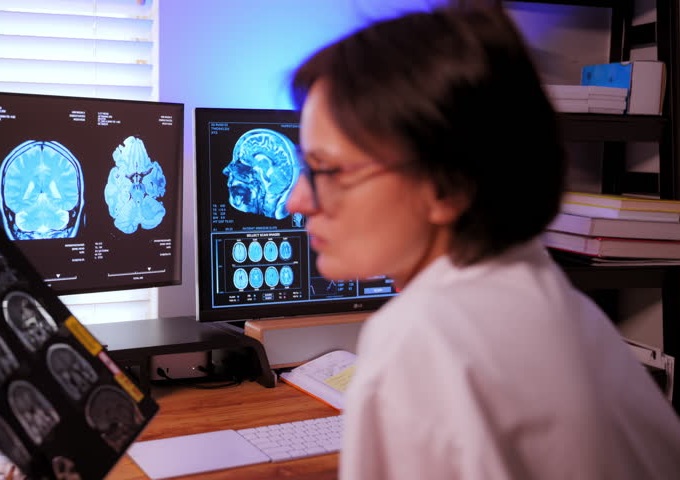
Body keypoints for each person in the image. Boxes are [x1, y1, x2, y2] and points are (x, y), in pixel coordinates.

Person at [286, 6, 680, 479]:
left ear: (448, 184)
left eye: (324, 169)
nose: (296, 200)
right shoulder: (560, 304)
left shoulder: (422, 336)